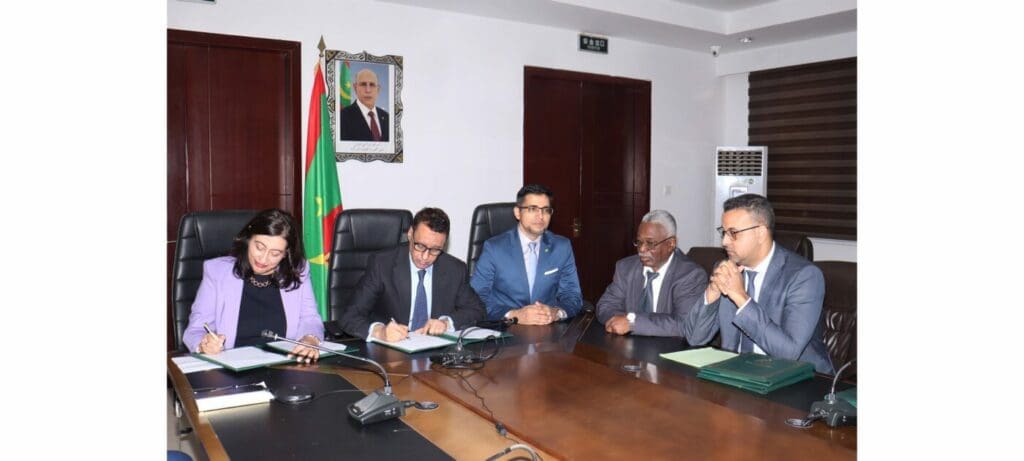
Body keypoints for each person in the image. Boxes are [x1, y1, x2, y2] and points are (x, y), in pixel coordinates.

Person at [681, 194, 834, 374]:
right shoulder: (727, 269)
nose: (724, 242)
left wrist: (741, 298)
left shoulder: (804, 276)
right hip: (736, 374)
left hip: (795, 378)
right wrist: (712, 293)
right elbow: (695, 338)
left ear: (760, 233)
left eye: (733, 233)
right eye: (723, 232)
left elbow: (789, 353)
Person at [183, 209, 324, 363]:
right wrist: (204, 344)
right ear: (248, 239)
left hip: (285, 365)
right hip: (233, 367)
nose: (263, 259)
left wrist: (310, 339)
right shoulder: (217, 272)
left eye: (275, 253)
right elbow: (195, 330)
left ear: (286, 254)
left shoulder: (297, 271)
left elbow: (310, 318)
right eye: (259, 247)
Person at [337, 207, 486, 341]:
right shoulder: (382, 264)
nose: (425, 257)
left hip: (436, 352)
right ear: (410, 234)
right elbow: (349, 317)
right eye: (420, 246)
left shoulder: (455, 269)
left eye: (435, 250)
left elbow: (477, 310)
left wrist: (446, 323)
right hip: (392, 352)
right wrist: (380, 332)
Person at [470, 184, 583, 324]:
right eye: (532, 209)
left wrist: (556, 313)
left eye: (546, 210)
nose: (540, 216)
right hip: (507, 328)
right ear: (518, 212)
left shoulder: (561, 247)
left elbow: (572, 295)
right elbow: (475, 299)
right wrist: (515, 315)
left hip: (548, 327)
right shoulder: (494, 248)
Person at [596, 210, 707, 337]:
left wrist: (633, 323)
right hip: (627, 344)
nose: (642, 249)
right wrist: (620, 322)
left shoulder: (690, 275)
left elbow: (685, 323)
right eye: (639, 242)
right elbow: (605, 306)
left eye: (650, 243)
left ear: (671, 244)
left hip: (670, 346)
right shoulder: (626, 268)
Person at [338, 68, 390, 142]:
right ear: (355, 88)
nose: (368, 90)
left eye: (372, 85)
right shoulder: (342, 117)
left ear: (378, 90)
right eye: (363, 84)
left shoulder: (387, 117)